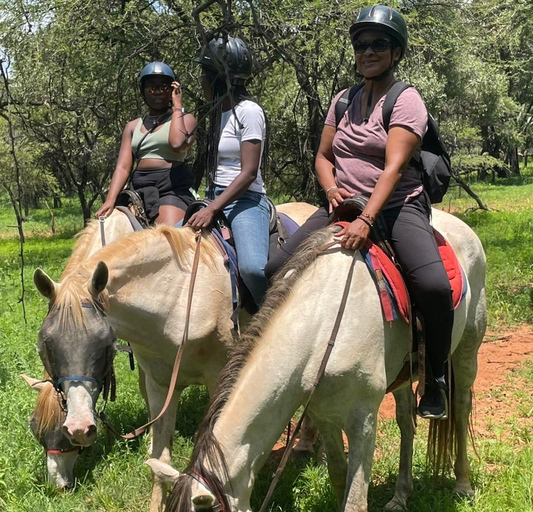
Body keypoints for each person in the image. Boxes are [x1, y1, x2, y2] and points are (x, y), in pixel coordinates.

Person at [265, 5, 453, 420]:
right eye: (361, 44)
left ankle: (435, 377)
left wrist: (368, 218)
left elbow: (394, 167)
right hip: (344, 203)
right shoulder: (342, 100)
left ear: (396, 51)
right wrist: (331, 189)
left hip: (395, 206)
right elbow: (322, 156)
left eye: (378, 44)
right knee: (273, 269)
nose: (367, 51)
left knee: (435, 286)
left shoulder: (406, 100)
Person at [186, 36, 270, 312]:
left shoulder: (249, 112)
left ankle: (271, 319)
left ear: (219, 78)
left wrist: (212, 209)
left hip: (245, 199)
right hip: (214, 195)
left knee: (253, 268)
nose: (201, 81)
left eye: (205, 75)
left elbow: (248, 173)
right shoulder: (215, 112)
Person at [96, 62, 197, 225]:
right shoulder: (132, 126)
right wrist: (110, 199)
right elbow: (123, 167)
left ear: (173, 90)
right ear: (143, 91)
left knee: (168, 237)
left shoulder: (186, 119)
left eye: (163, 87)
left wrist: (178, 106)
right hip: (139, 188)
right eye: (151, 87)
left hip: (171, 187)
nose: (157, 92)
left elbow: (178, 144)